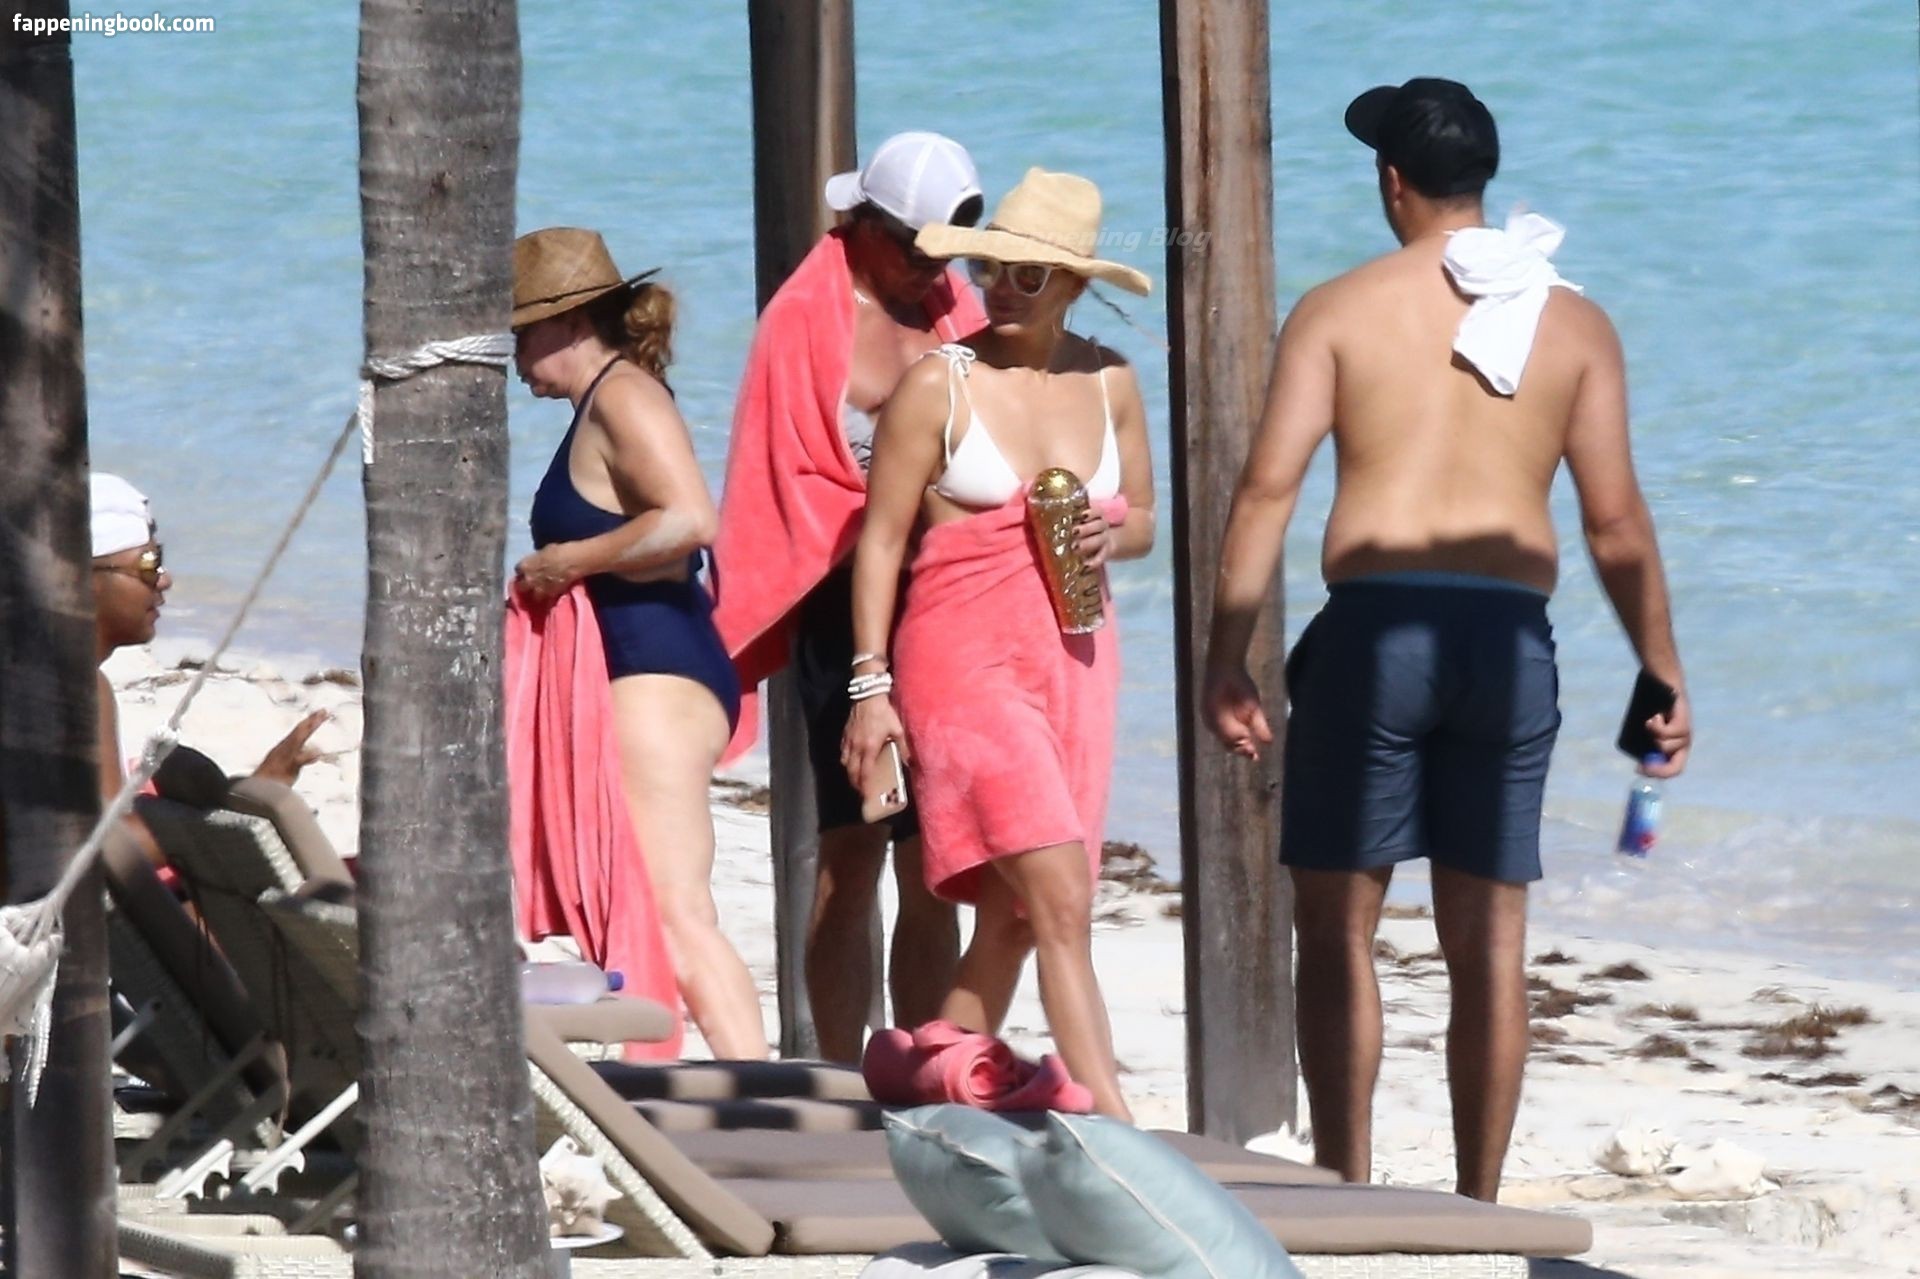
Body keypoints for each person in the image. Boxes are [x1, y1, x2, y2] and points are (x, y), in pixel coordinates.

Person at [1202, 78, 1692, 1199]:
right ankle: (1480, 1203)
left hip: (1377, 633)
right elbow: (1616, 523)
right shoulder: (1574, 322)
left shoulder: (1338, 309)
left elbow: (1267, 488)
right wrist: (1662, 668)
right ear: (1483, 176)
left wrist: (1227, 657)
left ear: (1391, 180)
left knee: (1339, 929)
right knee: (1491, 941)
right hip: (1509, 642)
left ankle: (1346, 1183)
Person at [841, 169, 1157, 1121]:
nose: (1002, 289)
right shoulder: (938, 383)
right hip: (961, 664)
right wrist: (869, 688)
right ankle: (1114, 1122)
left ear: (1075, 283)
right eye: (990, 269)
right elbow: (880, 543)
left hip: (1077, 663)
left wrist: (1110, 533)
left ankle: (927, 1081)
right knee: (1058, 894)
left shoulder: (1111, 380)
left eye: (1029, 275)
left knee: (1016, 919)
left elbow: (1144, 519)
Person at [710, 131, 986, 1062]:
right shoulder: (805, 317)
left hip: (946, 599)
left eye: (945, 250)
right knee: (853, 849)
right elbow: (780, 471)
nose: (930, 268)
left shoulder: (952, 305)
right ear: (864, 223)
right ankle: (837, 1070)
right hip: (844, 601)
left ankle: (925, 1061)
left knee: (936, 860)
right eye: (915, 247)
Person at [510, 227, 768, 1059]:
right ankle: (730, 1080)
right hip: (653, 665)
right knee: (664, 907)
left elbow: (691, 518)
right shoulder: (605, 401)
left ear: (571, 320)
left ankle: (753, 1090)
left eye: (522, 330)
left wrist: (569, 561)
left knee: (672, 912)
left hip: (658, 669)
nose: (514, 353)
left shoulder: (624, 396)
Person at [90, 472, 328, 865]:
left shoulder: (51, 675)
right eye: (149, 564)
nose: (164, 580)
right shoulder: (73, 688)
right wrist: (239, 816)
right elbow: (107, 848)